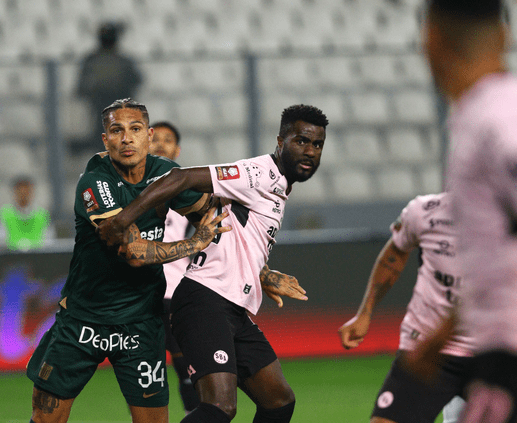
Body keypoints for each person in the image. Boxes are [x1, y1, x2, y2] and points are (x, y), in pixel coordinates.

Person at [26, 99, 303, 423]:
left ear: (148, 135)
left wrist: (261, 270)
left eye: (135, 129)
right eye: (117, 130)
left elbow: (217, 220)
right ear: (106, 139)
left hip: (141, 320)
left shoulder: (164, 174)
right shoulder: (94, 181)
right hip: (84, 319)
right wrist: (194, 242)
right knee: (47, 419)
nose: (126, 138)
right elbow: (132, 252)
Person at [96, 104, 326, 423]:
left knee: (279, 401)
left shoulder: (278, 188)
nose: (310, 151)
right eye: (301, 141)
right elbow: (181, 177)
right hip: (204, 301)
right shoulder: (258, 173)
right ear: (280, 141)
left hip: (233, 308)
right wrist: (124, 220)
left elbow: (238, 237)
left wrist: (265, 274)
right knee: (219, 407)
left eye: (317, 145)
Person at [405, 1, 517, 422]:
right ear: (504, 37)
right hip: (501, 348)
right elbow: (506, 253)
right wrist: (446, 331)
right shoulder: (482, 113)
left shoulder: (503, 116)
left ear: (431, 41)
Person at [338, 192, 470, 423]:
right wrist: (365, 313)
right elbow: (395, 252)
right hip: (426, 348)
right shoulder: (425, 210)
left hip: (497, 352)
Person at [148, 121, 200, 414]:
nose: (160, 144)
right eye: (155, 138)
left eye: (168, 140)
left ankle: (194, 416)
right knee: (142, 372)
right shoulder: (128, 187)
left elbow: (209, 231)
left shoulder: (185, 192)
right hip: (139, 293)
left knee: (186, 368)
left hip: (173, 292)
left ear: (177, 150)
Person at [77, 22, 143, 150]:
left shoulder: (93, 60)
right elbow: (136, 81)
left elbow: (81, 88)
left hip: (109, 108)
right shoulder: (122, 61)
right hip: (107, 108)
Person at [0, 177, 55, 251]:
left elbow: (49, 242)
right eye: (20, 190)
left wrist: (30, 248)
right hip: (12, 259)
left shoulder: (43, 214)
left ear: (32, 191)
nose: (23, 193)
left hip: (38, 259)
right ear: (14, 192)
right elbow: (1, 242)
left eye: (26, 190)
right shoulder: (3, 214)